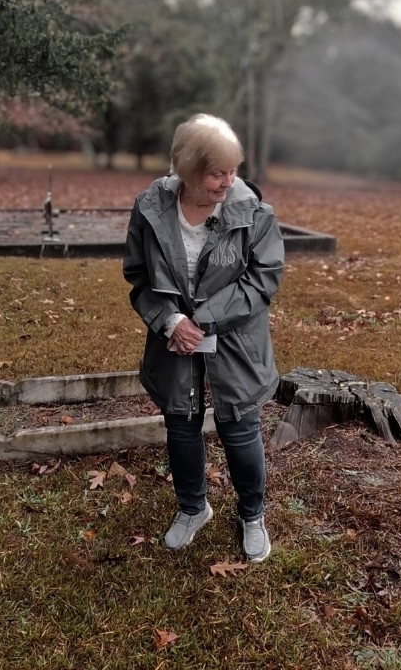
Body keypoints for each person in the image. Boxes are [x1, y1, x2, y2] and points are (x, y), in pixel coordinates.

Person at [122, 114, 285, 563]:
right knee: (181, 426)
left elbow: (263, 278)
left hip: (235, 342)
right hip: (173, 342)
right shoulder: (150, 208)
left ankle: (252, 514)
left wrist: (205, 320)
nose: (227, 181)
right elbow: (138, 276)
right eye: (216, 173)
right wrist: (170, 321)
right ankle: (193, 508)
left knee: (240, 427)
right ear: (187, 171)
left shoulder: (251, 211)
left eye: (233, 170)